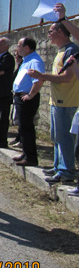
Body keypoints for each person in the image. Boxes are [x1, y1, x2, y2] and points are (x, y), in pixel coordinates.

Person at [28, 19, 79, 183]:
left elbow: (68, 77)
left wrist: (41, 76)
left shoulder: (71, 50)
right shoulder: (61, 50)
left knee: (64, 136)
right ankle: (58, 166)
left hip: (67, 101)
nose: (48, 35)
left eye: (50, 31)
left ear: (61, 32)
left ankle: (67, 171)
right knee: (57, 136)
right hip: (56, 101)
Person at [10, 37, 45, 167]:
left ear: (27, 48)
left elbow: (39, 80)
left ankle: (31, 157)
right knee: (23, 128)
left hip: (27, 98)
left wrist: (30, 95)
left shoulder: (35, 61)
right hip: (20, 97)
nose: (17, 48)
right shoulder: (26, 61)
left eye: (19, 46)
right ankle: (26, 153)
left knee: (27, 127)